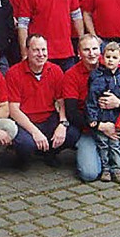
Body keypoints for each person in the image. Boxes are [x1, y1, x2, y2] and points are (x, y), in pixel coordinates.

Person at [64, 34, 120, 182]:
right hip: (89, 127)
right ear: (79, 53)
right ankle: (103, 163)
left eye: (95, 48)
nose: (91, 53)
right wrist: (100, 126)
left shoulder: (114, 67)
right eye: (86, 49)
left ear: (100, 51)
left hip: (116, 120)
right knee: (89, 174)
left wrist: (119, 103)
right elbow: (72, 113)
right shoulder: (71, 75)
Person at [6, 34, 78, 168]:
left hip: (48, 118)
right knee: (25, 144)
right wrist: (35, 132)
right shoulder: (14, 73)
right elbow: (14, 110)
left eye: (43, 50)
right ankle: (24, 157)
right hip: (25, 121)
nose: (41, 54)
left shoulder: (55, 70)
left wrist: (63, 123)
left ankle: (50, 153)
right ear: (27, 51)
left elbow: (62, 101)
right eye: (36, 50)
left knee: (72, 134)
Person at [86, 42, 120, 184]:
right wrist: (93, 118)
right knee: (103, 144)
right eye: (108, 57)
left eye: (114, 57)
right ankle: (105, 169)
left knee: (115, 143)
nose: (110, 60)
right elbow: (90, 100)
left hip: (117, 119)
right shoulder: (96, 77)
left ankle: (118, 169)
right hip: (102, 118)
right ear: (102, 58)